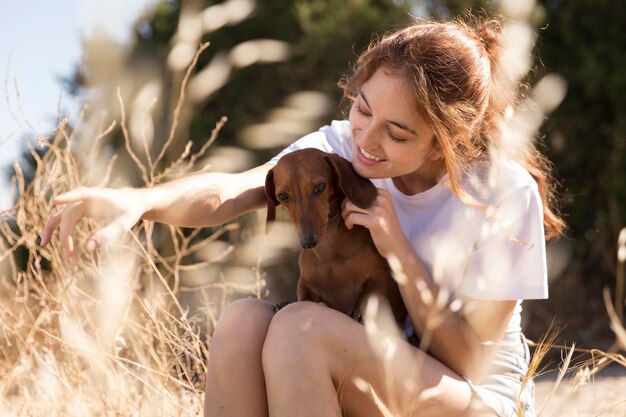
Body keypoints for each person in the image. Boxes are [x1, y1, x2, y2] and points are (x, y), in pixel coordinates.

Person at [42, 14, 564, 417]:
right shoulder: (338, 155)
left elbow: (470, 361)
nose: (366, 138)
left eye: (396, 132)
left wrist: (399, 250)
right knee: (244, 321)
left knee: (300, 329)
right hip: (377, 375)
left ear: (443, 144)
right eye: (363, 109)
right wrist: (141, 201)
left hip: (472, 400)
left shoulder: (501, 193)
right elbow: (235, 189)